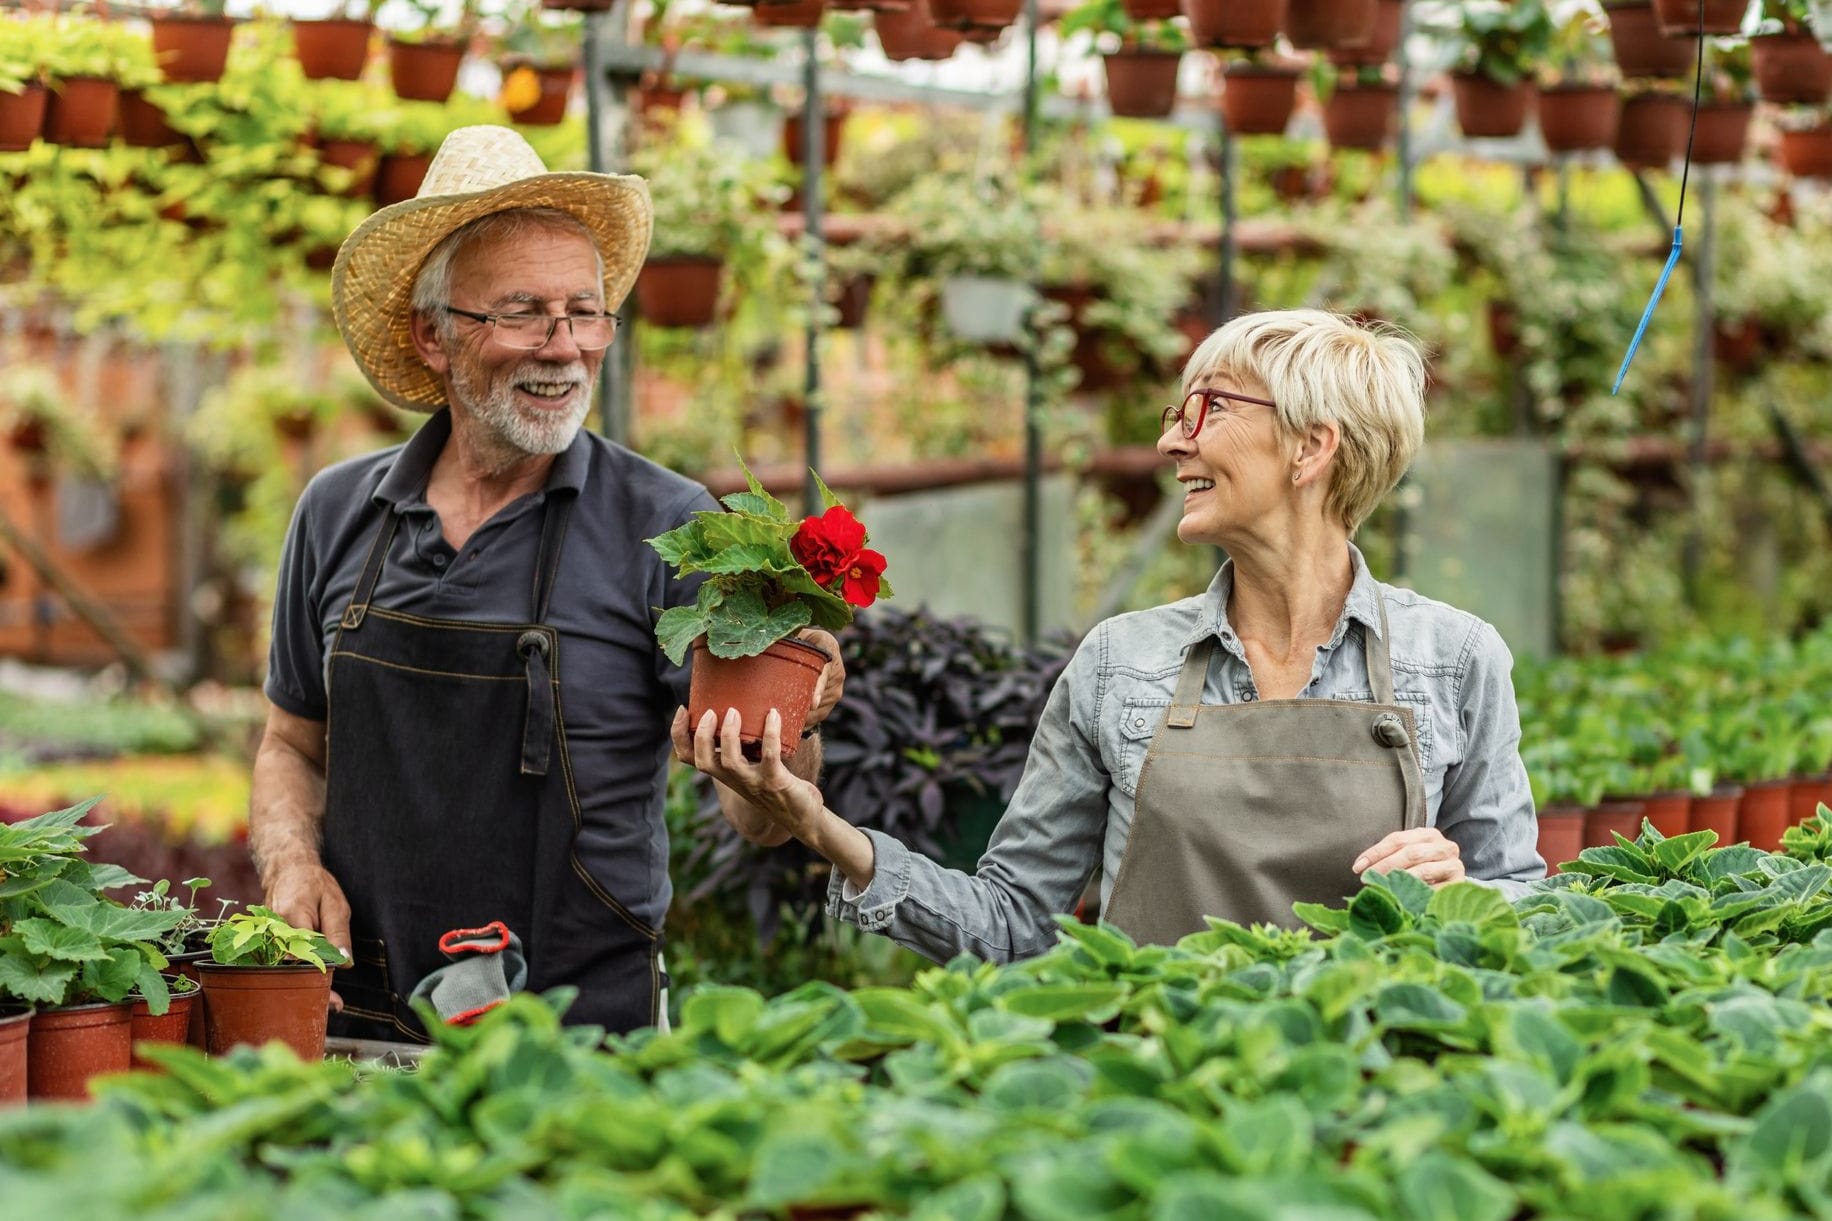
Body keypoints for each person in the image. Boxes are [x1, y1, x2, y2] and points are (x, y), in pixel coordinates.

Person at [677, 309, 1546, 964]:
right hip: (1158, 1098)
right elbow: (1013, 922)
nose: (1173, 438)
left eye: (1208, 408)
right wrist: (817, 823)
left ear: (1311, 446)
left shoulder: (1457, 658)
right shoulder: (1121, 662)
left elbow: (1529, 916)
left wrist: (1465, 895)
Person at [249, 126, 839, 1041]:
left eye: (586, 312)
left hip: (586, 1041)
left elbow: (758, 818)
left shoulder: (675, 525)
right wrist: (290, 863)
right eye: (523, 312)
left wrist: (781, 749)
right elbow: (290, 744)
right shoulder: (338, 511)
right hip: (358, 1020)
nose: (565, 348)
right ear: (433, 336)